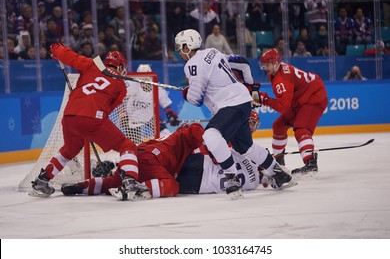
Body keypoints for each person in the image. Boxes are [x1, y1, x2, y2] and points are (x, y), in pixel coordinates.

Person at [174, 29, 293, 198]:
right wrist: (250, 87)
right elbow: (242, 63)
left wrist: (186, 93)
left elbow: (196, 99)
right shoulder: (212, 52)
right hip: (242, 101)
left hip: (230, 104)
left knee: (211, 135)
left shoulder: (192, 64)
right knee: (246, 148)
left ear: (188, 46)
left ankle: (232, 178)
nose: (179, 51)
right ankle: (279, 173)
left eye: (180, 47)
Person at [61, 112, 294, 199]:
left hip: (154, 157)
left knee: (114, 179)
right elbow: (196, 136)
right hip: (167, 165)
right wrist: (212, 151)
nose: (250, 127)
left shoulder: (234, 148)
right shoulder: (249, 169)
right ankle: (133, 187)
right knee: (170, 186)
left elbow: (198, 138)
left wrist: (213, 152)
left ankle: (83, 186)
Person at [30, 43, 150, 200]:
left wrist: (56, 49)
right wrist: (93, 126)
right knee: (126, 145)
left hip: (70, 115)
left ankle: (42, 180)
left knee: (69, 150)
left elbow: (71, 57)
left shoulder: (92, 65)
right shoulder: (121, 84)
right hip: (93, 118)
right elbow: (109, 108)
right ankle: (130, 181)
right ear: (120, 66)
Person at [258, 48, 328, 175]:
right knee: (278, 126)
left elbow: (283, 107)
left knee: (301, 129)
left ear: (276, 63)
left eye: (267, 64)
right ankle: (278, 161)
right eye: (264, 64)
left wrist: (265, 100)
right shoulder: (275, 71)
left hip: (313, 97)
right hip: (300, 100)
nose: (265, 67)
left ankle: (310, 163)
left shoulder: (281, 79)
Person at [136, 64, 180, 137]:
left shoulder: (157, 88)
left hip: (151, 116)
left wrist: (171, 115)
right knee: (133, 139)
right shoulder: (131, 87)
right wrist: (123, 113)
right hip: (134, 116)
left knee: (166, 135)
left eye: (146, 78)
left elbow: (166, 105)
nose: (144, 80)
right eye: (142, 78)